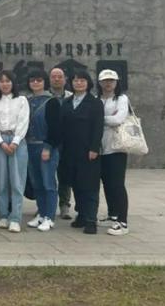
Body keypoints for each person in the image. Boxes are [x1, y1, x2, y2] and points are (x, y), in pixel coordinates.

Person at [59, 70, 104, 235]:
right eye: (76, 80)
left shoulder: (95, 103)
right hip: (70, 151)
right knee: (76, 183)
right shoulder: (67, 102)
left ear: (88, 83)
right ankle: (82, 215)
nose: (78, 83)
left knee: (90, 185)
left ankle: (91, 219)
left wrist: (94, 148)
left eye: (82, 80)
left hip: (87, 151)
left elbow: (98, 127)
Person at [0, 70, 30, 233]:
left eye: (8, 81)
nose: (5, 84)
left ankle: (15, 217)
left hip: (17, 141)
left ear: (13, 83)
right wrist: (0, 142)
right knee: (1, 181)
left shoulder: (21, 100)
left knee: (17, 181)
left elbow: (23, 121)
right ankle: (3, 215)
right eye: (1, 81)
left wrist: (14, 142)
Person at [25, 69, 62, 232]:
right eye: (32, 80)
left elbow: (56, 128)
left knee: (49, 183)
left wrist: (48, 147)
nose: (35, 83)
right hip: (30, 146)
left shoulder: (52, 101)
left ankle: (50, 217)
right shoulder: (26, 100)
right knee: (37, 183)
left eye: (39, 80)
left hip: (46, 147)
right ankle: (41, 213)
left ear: (44, 82)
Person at [97, 69, 131, 236]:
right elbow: (110, 119)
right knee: (107, 183)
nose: (108, 83)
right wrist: (108, 118)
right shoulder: (97, 99)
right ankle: (113, 214)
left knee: (117, 184)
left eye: (111, 80)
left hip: (117, 147)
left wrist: (99, 119)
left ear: (117, 82)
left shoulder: (122, 99)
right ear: (100, 83)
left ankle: (123, 222)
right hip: (100, 148)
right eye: (105, 80)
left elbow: (119, 119)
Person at [50, 67, 74, 220]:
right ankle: (45, 205)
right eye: (54, 77)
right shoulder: (45, 96)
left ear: (65, 79)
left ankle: (64, 205)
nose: (57, 79)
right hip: (49, 141)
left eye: (60, 76)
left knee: (65, 175)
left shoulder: (72, 97)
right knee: (47, 175)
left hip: (67, 142)